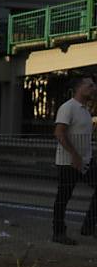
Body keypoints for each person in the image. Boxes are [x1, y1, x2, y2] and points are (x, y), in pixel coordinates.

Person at [52, 76, 96, 245]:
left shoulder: (85, 110)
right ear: (79, 88)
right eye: (89, 85)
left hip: (85, 161)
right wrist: (74, 155)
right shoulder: (68, 107)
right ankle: (58, 233)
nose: (93, 88)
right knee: (63, 198)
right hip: (68, 162)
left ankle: (89, 226)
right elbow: (59, 133)